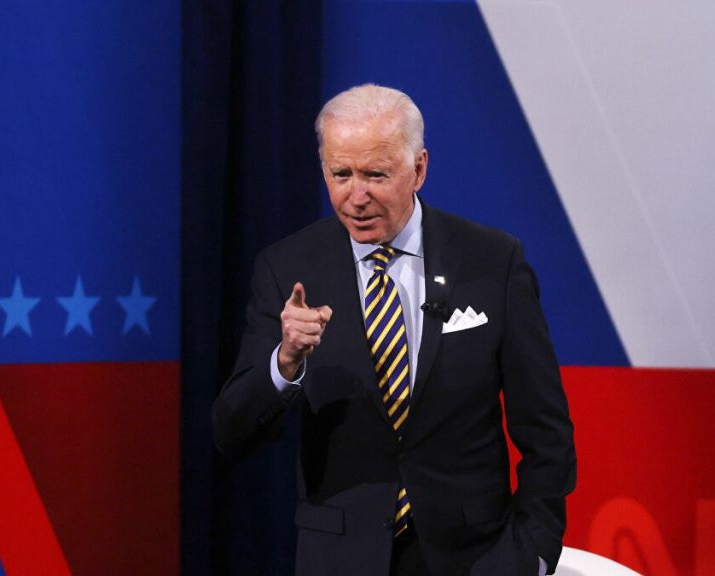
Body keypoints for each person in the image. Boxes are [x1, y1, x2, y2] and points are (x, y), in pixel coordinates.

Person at [213, 84, 575, 576]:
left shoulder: (491, 261)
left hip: (473, 558)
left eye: (375, 175)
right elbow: (232, 433)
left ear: (418, 169)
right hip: (341, 559)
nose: (356, 197)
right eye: (340, 174)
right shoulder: (288, 268)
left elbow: (546, 431)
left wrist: (531, 552)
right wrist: (286, 361)